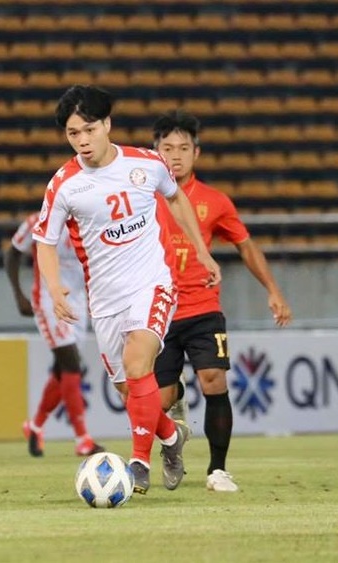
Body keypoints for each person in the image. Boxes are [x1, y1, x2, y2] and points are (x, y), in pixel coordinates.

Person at [32, 85, 222, 495]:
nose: (82, 141)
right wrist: (55, 288)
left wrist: (202, 252)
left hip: (152, 284)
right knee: (129, 389)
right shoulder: (64, 185)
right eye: (73, 134)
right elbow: (44, 241)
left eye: (89, 130)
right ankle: (171, 436)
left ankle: (138, 464)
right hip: (104, 300)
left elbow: (176, 199)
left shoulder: (146, 163)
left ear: (107, 124)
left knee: (138, 365)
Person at [151, 109, 293, 492]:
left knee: (214, 380)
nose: (175, 156)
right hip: (158, 310)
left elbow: (245, 246)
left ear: (196, 153)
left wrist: (273, 290)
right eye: (167, 148)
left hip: (203, 307)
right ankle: (173, 432)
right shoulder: (143, 197)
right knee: (158, 400)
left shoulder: (214, 201)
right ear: (155, 152)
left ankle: (217, 470)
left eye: (183, 148)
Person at [5, 213, 104, 458]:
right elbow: (13, 253)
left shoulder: (89, 219)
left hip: (78, 302)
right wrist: (18, 295)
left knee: (64, 370)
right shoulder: (37, 222)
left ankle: (35, 425)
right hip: (48, 301)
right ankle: (83, 439)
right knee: (72, 363)